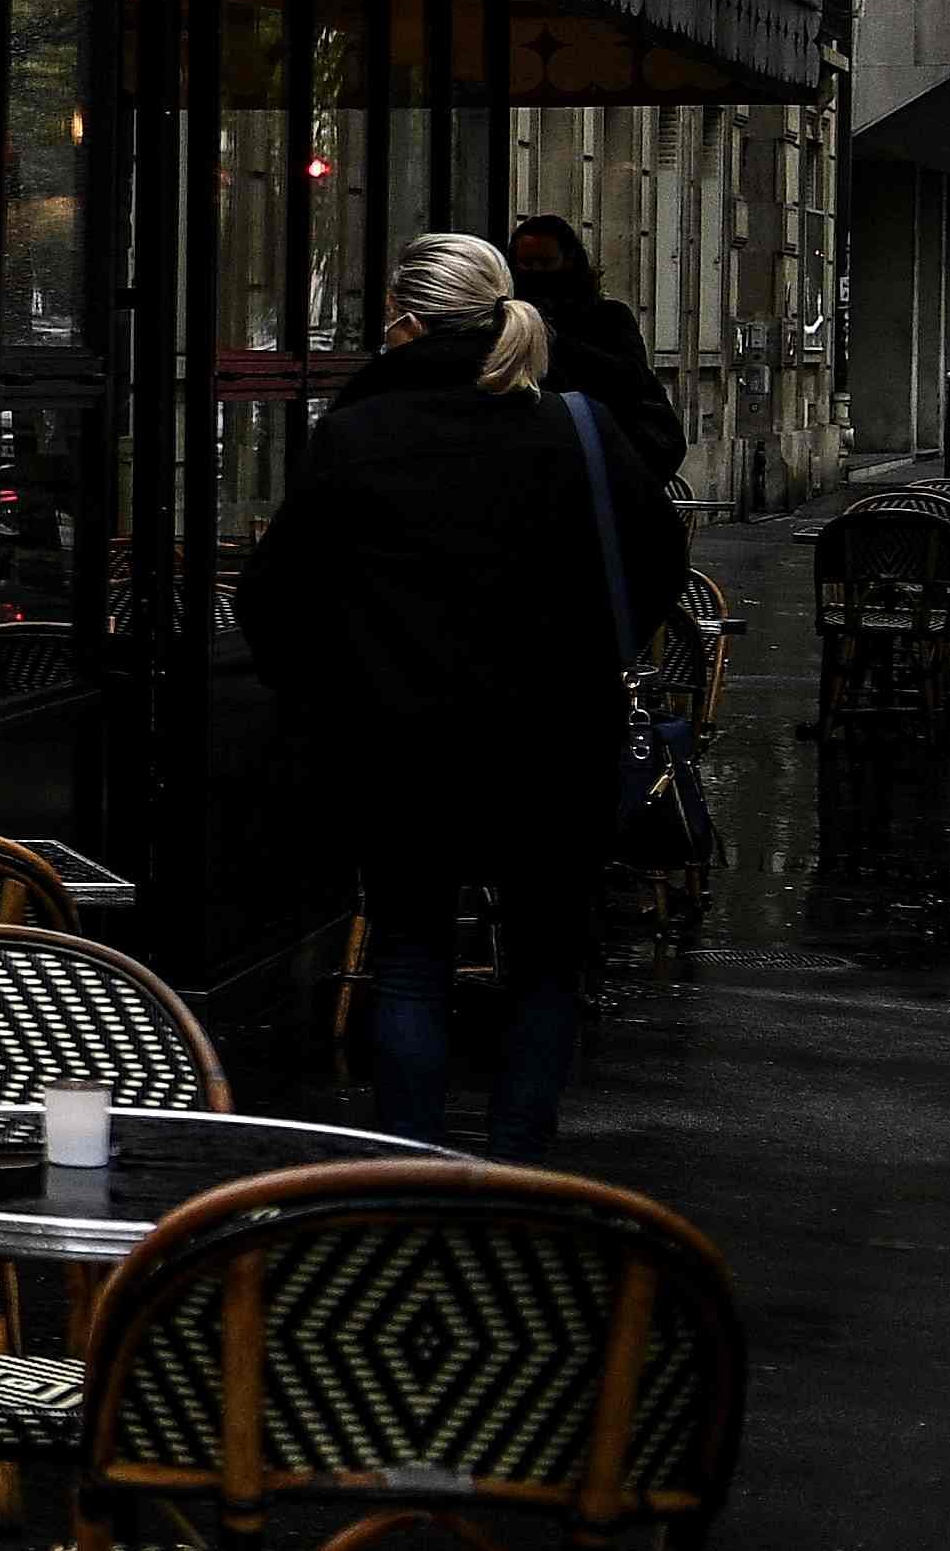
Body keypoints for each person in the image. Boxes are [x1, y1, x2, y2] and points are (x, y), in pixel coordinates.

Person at [238, 230, 685, 1158]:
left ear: (400, 320)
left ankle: (415, 1167)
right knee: (546, 966)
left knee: (408, 958)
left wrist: (341, 687)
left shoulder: (357, 435)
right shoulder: (579, 430)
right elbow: (657, 567)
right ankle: (519, 1165)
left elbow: (276, 601)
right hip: (558, 743)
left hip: (400, 749)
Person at [505, 214, 684, 487]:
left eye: (546, 262)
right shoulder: (506, 321)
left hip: (600, 457)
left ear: (568, 261)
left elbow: (630, 379)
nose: (536, 271)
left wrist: (555, 341)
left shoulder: (608, 318)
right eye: (527, 263)